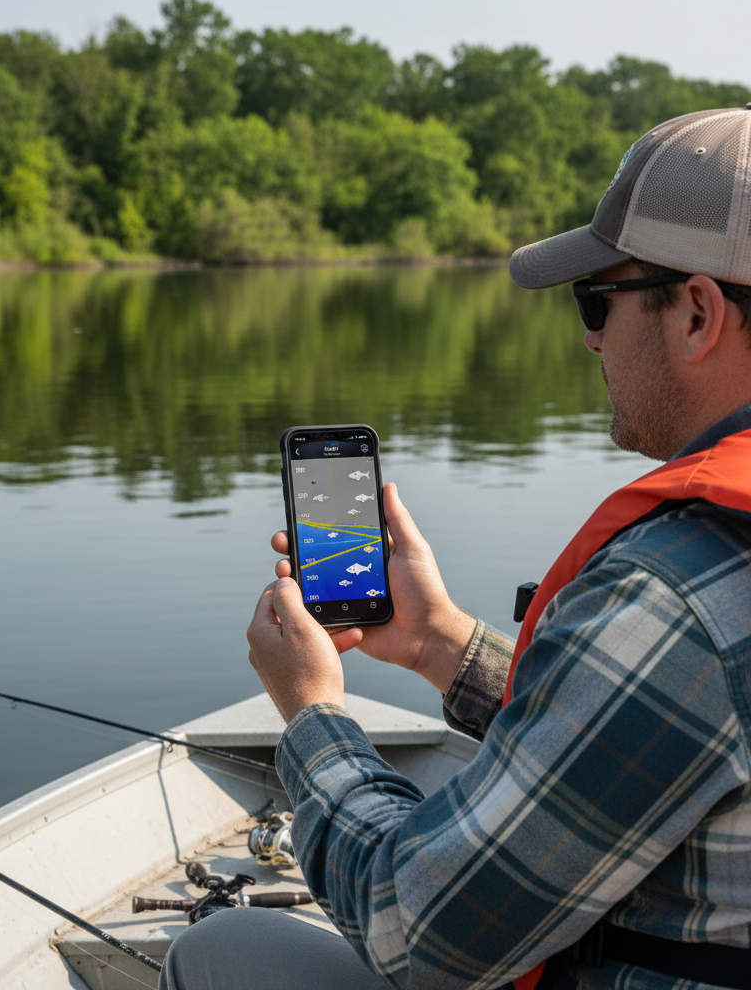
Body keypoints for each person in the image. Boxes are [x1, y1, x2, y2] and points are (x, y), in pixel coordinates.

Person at [159, 106, 751, 990]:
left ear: (698, 314)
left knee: (220, 953)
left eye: (600, 299)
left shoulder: (679, 590)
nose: (591, 334)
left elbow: (418, 932)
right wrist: (441, 644)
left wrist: (314, 712)